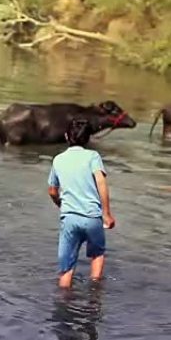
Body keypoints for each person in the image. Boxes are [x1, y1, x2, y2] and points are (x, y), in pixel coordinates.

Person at [47, 118, 116, 288]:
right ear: (88, 138)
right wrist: (106, 213)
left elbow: (52, 190)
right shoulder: (93, 156)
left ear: (66, 136)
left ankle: (64, 302)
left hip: (69, 218)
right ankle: (94, 297)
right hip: (92, 217)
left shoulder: (58, 159)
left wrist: (60, 204)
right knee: (97, 255)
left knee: (66, 269)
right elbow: (101, 183)